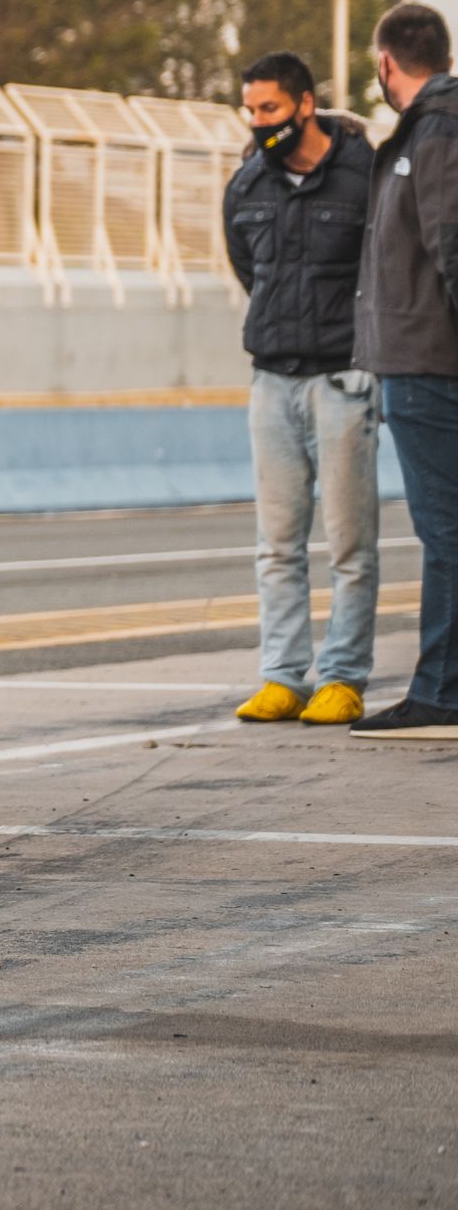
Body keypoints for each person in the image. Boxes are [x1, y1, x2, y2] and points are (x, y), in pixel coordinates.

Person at [224, 52, 379, 725]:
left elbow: (387, 268)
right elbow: (245, 266)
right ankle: (282, 676)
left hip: (342, 379)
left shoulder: (362, 176)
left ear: (305, 105)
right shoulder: (247, 184)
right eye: (252, 111)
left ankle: (342, 677)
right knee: (277, 544)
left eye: (271, 110)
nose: (259, 123)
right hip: (271, 381)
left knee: (350, 544)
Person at [352, 1, 458, 739]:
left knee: (446, 529)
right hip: (424, 360)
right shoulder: (428, 129)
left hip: (430, 365)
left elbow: (452, 243)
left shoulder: (437, 133)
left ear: (387, 63)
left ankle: (443, 691)